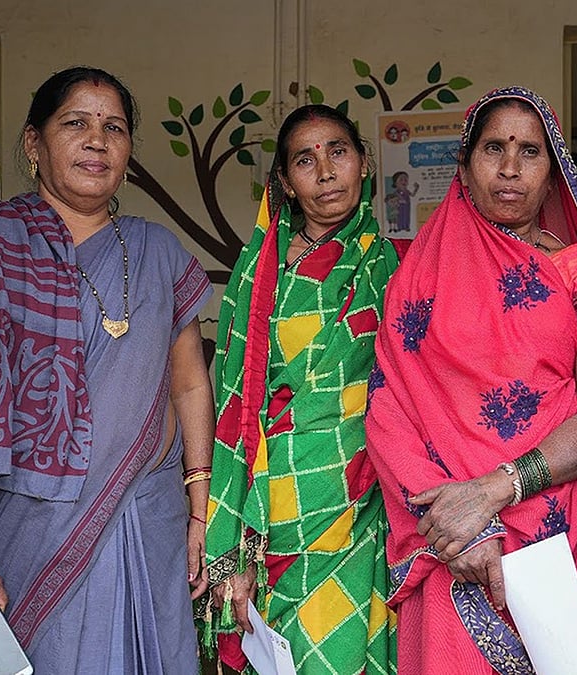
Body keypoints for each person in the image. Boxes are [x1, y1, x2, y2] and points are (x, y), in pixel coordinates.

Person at [0, 66, 214, 673]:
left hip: (150, 521)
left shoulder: (157, 251)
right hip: (22, 535)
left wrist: (200, 503)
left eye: (114, 127)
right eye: (76, 124)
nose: (97, 140)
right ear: (34, 144)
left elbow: (190, 382)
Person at [364, 87, 577, 673]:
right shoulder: (420, 272)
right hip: (446, 527)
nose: (510, 168)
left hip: (547, 523)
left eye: (530, 151)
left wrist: (492, 492)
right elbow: (389, 406)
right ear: (464, 164)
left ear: (553, 173)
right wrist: (451, 525)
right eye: (493, 148)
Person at [204, 104, 403, 673]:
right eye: (304, 160)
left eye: (338, 151)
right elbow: (232, 401)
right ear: (286, 184)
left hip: (360, 494)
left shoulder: (395, 267)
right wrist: (228, 533)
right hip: (272, 499)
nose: (325, 171)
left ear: (364, 163)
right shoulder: (258, 271)